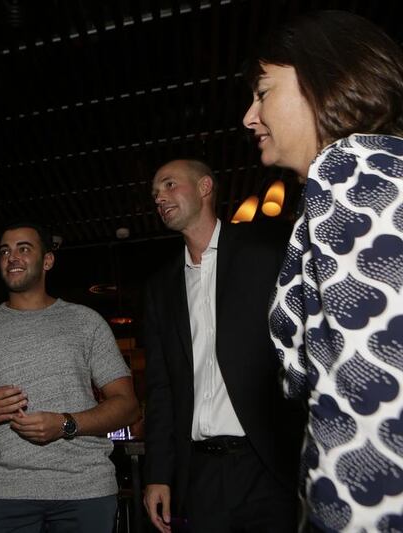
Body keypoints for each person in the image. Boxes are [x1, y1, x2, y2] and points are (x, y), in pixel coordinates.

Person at [243, 10, 403, 531]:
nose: (250, 116)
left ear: (321, 79)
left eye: (263, 92)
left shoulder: (350, 170)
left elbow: (370, 391)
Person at [142, 159, 304, 532]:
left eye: (168, 185)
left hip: (268, 464)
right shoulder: (160, 288)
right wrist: (159, 474)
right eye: (154, 193)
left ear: (204, 187)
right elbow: (161, 388)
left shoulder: (264, 253)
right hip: (202, 474)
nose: (159, 198)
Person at [0, 222, 139, 533]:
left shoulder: (86, 322)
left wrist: (65, 424)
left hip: (85, 490)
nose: (13, 257)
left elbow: (128, 407)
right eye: (5, 251)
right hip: (5, 492)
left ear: (47, 261)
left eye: (24, 248)